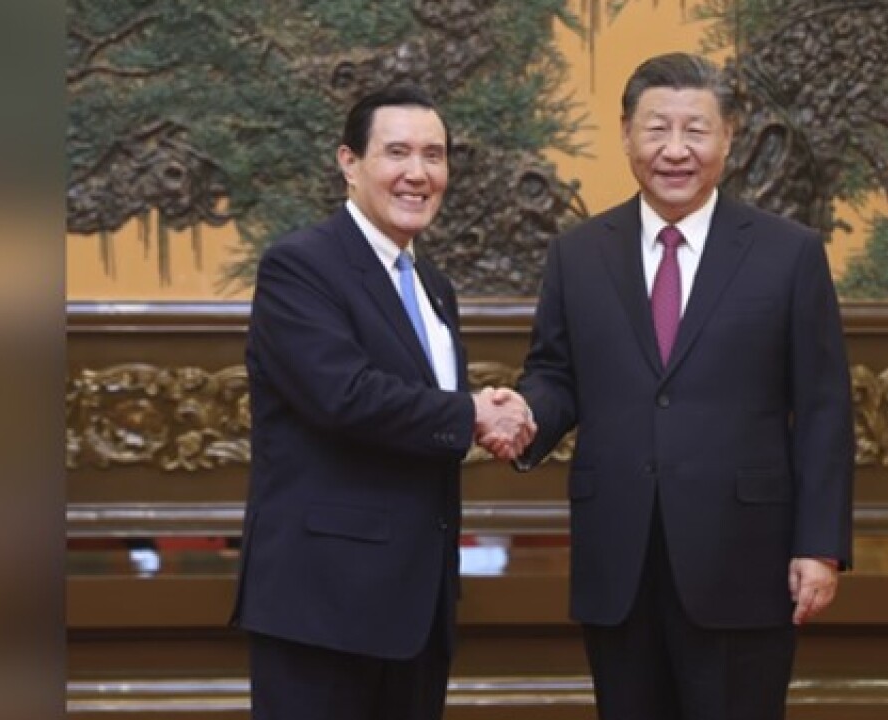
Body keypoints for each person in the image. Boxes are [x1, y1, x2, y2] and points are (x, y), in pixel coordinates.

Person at [507, 52, 855, 720]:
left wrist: (819, 545)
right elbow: (555, 374)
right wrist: (523, 414)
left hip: (744, 557)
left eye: (695, 130)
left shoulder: (789, 253)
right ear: (625, 134)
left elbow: (823, 409)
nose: (675, 150)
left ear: (729, 137)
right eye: (656, 129)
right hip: (619, 557)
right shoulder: (578, 253)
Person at [230, 83, 534, 720]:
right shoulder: (299, 266)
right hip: (323, 606)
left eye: (434, 155)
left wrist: (496, 415)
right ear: (349, 162)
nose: (418, 173)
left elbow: (421, 417)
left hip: (415, 609)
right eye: (397, 152)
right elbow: (344, 395)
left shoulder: (434, 286)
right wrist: (474, 413)